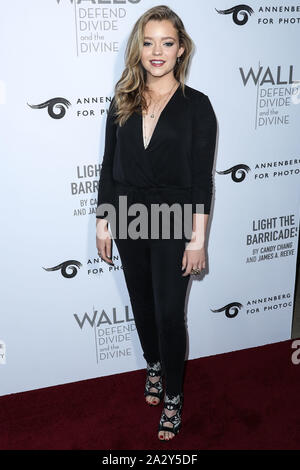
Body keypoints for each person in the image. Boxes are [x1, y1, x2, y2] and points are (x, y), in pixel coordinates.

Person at [96, 5, 217, 441]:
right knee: (142, 305)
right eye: (148, 42)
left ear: (181, 48)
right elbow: (109, 165)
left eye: (167, 42)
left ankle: (174, 396)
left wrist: (197, 240)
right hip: (128, 215)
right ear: (139, 48)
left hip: (173, 220)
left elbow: (202, 181)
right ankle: (153, 363)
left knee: (169, 313)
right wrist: (103, 220)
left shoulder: (196, 107)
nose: (157, 51)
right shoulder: (122, 98)